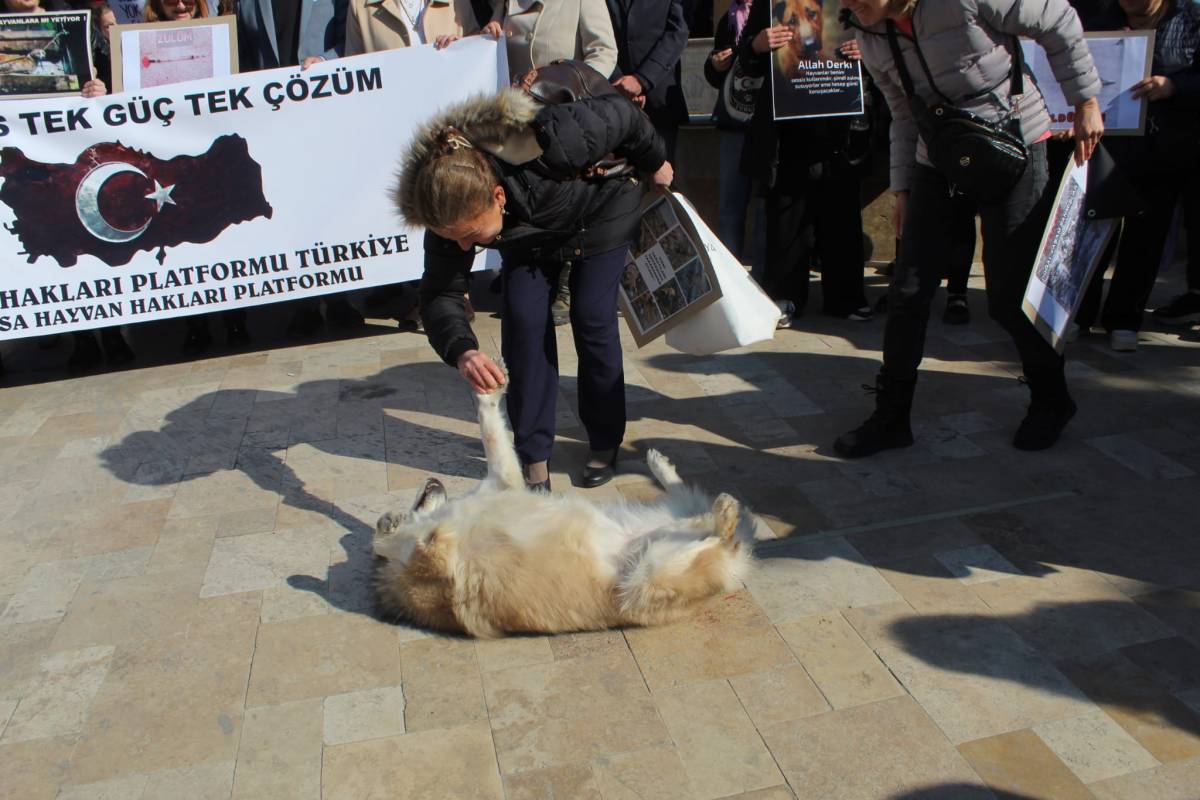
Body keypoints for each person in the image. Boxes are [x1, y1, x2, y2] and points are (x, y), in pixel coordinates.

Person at [835, 0, 1104, 456]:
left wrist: (1086, 101)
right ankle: (891, 418)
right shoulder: (869, 33)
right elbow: (903, 112)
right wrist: (902, 189)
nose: (848, 4)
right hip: (938, 152)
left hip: (1015, 142)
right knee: (907, 291)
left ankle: (1051, 399)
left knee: (1011, 296)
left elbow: (1058, 19)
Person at [395, 85, 671, 491]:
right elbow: (440, 293)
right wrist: (462, 350)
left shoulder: (553, 137)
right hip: (528, 235)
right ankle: (534, 458)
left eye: (471, 235)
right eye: (453, 238)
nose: (464, 248)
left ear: (498, 196)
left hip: (603, 209)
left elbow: (623, 115)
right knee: (523, 325)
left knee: (592, 317)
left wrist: (656, 161)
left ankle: (604, 441)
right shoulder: (445, 209)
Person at [345, 0, 500, 331]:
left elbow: (478, 44)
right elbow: (351, 65)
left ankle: (457, 293)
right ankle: (429, 293)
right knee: (418, 204)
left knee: (452, 201)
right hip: (397, 123)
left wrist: (463, 45)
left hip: (449, 123)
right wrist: (320, 66)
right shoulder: (360, 6)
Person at [1071, 0, 1200, 351]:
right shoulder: (1095, 16)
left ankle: (1125, 319)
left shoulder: (1192, 21)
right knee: (1094, 232)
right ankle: (1080, 314)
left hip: (1166, 147)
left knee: (1147, 237)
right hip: (1106, 144)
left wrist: (1174, 86)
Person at [739, 0, 873, 325]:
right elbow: (748, 62)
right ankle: (785, 297)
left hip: (841, 129)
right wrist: (757, 45)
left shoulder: (853, 4)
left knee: (841, 214)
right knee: (786, 215)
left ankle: (846, 297)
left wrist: (868, 53)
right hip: (787, 133)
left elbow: (886, 50)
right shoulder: (768, 3)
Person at [495, 0, 619, 326]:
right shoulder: (505, 3)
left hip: (570, 122)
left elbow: (604, 51)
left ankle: (566, 283)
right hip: (519, 130)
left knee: (572, 200)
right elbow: (491, 52)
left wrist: (574, 90)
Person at [704, 0, 766, 275]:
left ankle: (763, 277)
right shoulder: (729, 19)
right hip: (734, 122)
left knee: (765, 205)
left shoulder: (774, 13)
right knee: (730, 204)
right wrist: (715, 65)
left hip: (766, 123)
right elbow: (718, 74)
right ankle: (731, 277)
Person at [605, 0, 689, 161]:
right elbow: (596, 39)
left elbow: (677, 33)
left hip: (658, 103)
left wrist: (642, 80)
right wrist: (620, 83)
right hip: (613, 104)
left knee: (661, 173)